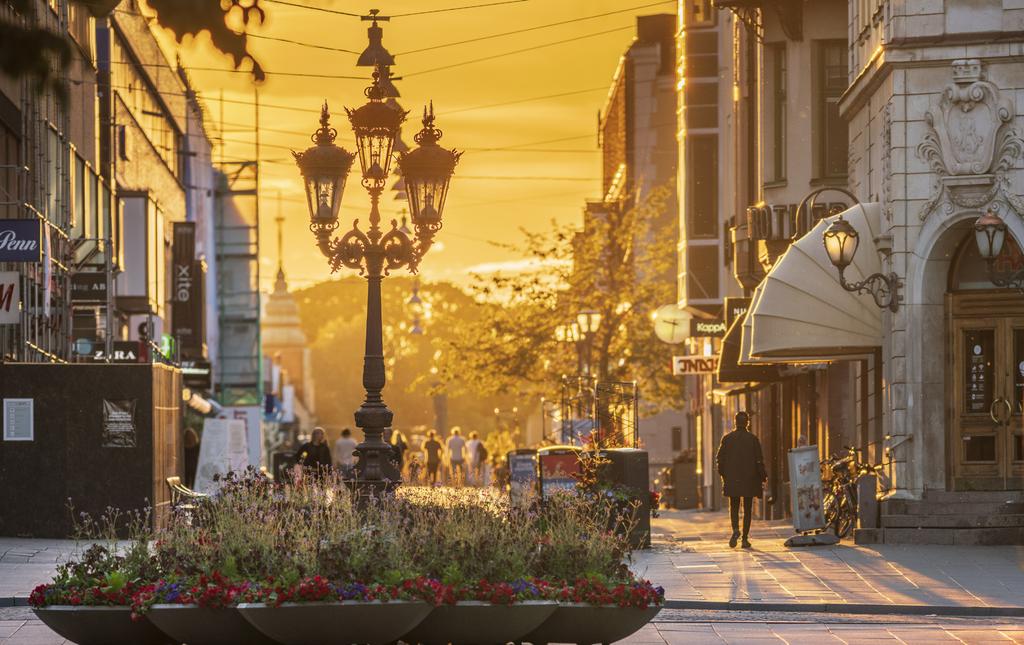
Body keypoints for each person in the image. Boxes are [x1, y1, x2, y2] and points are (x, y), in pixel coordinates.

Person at [716, 411, 767, 549]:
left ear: (735, 422)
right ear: (747, 423)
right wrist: (763, 476)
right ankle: (744, 538)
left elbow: (720, 459)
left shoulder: (727, 439)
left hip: (732, 479)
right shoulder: (753, 439)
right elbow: (759, 460)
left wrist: (724, 475)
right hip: (749, 479)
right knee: (748, 508)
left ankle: (735, 530)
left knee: (734, 506)